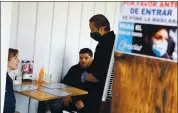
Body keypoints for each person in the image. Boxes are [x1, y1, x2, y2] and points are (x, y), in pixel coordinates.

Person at [37, 48, 93, 113]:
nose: (83, 60)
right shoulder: (74, 68)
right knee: (43, 100)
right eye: (81, 58)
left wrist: (84, 102)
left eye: (86, 58)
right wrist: (66, 94)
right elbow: (64, 84)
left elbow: (94, 92)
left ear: (91, 58)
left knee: (55, 105)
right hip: (69, 98)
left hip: (84, 101)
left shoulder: (94, 73)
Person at [81, 14, 115, 113]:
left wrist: (86, 77)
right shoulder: (114, 40)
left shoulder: (104, 45)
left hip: (100, 93)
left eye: (92, 30)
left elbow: (98, 75)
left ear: (101, 29)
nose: (91, 33)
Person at [4, 48, 20, 113]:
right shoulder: (3, 78)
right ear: (6, 59)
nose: (18, 60)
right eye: (15, 58)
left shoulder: (7, 78)